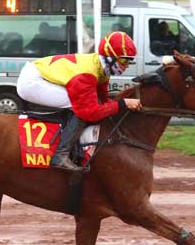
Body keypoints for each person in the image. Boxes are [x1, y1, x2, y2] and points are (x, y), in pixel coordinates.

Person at [17, 31, 142, 172]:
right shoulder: (88, 73)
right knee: (81, 108)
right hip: (31, 82)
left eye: (129, 61)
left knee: (88, 105)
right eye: (124, 61)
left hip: (41, 75)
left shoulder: (102, 68)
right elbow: (89, 112)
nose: (127, 66)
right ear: (109, 58)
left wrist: (117, 105)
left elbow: (103, 101)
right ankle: (61, 155)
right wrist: (123, 104)